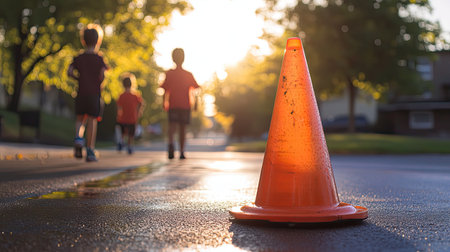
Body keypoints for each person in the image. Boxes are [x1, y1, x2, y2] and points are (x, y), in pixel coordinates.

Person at [67, 24, 109, 162]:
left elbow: (69, 71)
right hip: (94, 94)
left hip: (81, 93)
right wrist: (99, 83)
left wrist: (78, 78)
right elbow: (103, 74)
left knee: (80, 119)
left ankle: (79, 139)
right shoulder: (99, 58)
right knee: (92, 120)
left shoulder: (79, 58)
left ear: (83, 41)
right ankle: (90, 150)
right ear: (98, 41)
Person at [161, 48, 200, 159]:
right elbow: (195, 89)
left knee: (172, 127)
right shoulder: (188, 74)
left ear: (172, 58)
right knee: (182, 128)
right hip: (184, 105)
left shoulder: (169, 73)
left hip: (173, 104)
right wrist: (196, 103)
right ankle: (181, 151)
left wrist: (164, 102)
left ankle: (171, 145)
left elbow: (165, 90)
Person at [116, 73, 144, 154]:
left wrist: (118, 115)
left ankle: (121, 141)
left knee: (123, 132)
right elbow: (140, 104)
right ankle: (129, 146)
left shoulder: (121, 96)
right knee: (131, 134)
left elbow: (119, 107)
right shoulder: (135, 96)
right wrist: (138, 113)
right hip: (132, 118)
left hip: (123, 118)